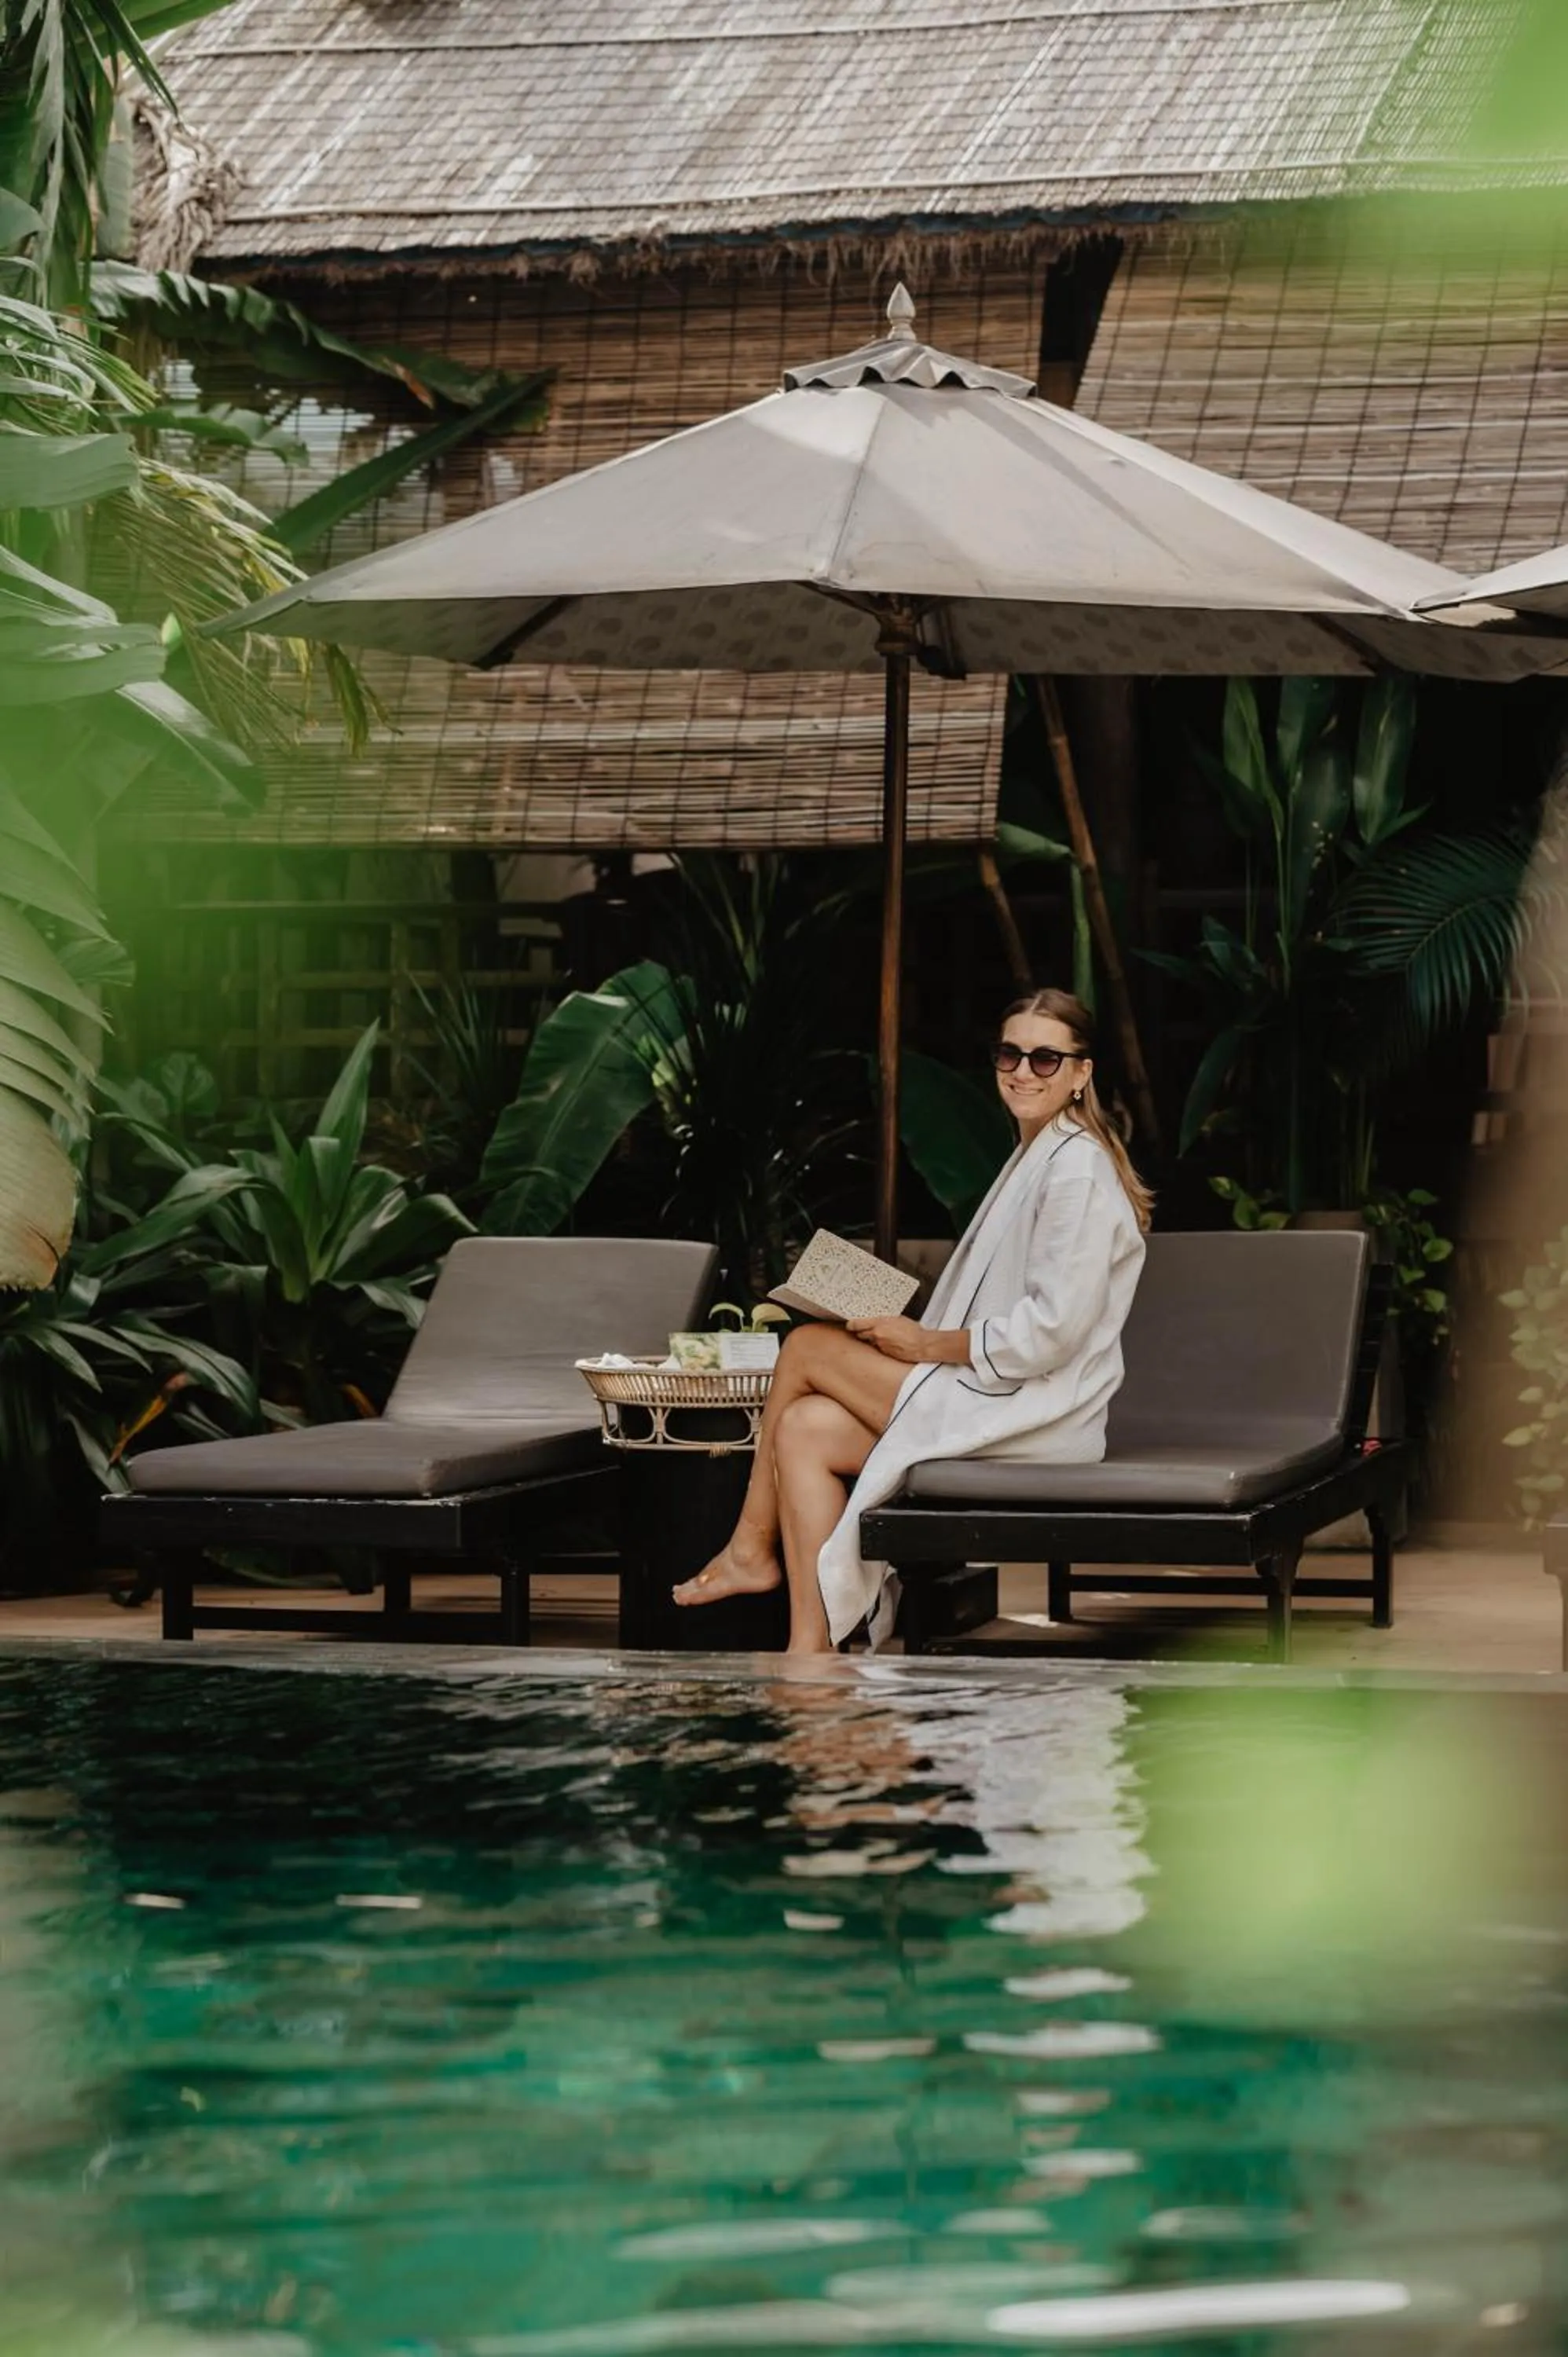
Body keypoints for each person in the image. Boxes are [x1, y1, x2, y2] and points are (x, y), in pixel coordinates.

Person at [672, 987, 1152, 1655]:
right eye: (1009, 1053)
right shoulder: (1037, 1158)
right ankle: (811, 1652)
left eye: (1046, 1059)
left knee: (808, 1347)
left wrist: (924, 1341)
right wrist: (902, 1326)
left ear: (1081, 1073)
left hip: (1038, 1414)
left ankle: (751, 1545)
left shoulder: (1075, 1173)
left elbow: (1052, 1332)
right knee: (803, 1429)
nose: (1022, 1070)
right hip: (1000, 1394)